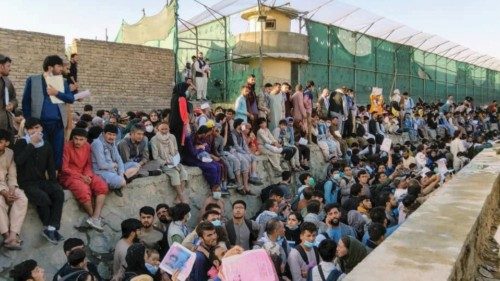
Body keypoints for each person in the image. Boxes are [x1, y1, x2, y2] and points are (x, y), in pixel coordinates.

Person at [14, 117, 64, 244]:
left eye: (37, 127)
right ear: (26, 130)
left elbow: (50, 166)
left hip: (40, 181)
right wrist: (31, 144)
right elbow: (19, 161)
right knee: (42, 197)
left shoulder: (46, 144)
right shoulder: (21, 143)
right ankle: (47, 227)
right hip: (25, 182)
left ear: (41, 128)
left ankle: (52, 228)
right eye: (31, 128)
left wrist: (54, 182)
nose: (34, 131)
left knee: (58, 192)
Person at [22, 55, 75, 168]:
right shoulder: (33, 80)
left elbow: (71, 98)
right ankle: (41, 178)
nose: (61, 69)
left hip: (58, 124)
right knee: (41, 151)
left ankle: (54, 178)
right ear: (50, 67)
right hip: (40, 125)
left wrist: (57, 93)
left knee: (57, 152)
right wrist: (29, 122)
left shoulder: (63, 81)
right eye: (59, 66)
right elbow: (25, 102)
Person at [59, 128, 108, 231]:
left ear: (86, 140)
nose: (78, 142)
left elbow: (89, 164)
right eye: (76, 139)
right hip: (69, 175)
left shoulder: (88, 146)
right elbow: (64, 168)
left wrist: (88, 176)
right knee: (83, 190)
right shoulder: (66, 146)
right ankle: (93, 216)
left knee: (102, 185)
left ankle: (95, 217)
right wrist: (82, 177)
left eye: (81, 139)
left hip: (85, 173)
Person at [0, 129, 27, 250]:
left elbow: (12, 173)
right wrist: (4, 193)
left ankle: (12, 235)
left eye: (0, 142)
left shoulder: (10, 153)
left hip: (7, 184)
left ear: (6, 143)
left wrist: (11, 190)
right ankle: (6, 235)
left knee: (21, 198)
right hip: (1, 188)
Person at [92, 124, 136, 197]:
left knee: (136, 165)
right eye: (109, 134)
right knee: (121, 182)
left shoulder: (113, 143)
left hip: (114, 170)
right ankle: (118, 183)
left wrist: (121, 174)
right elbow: (102, 165)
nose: (111, 137)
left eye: (114, 135)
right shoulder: (97, 143)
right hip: (102, 172)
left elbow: (119, 159)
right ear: (103, 133)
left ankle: (121, 179)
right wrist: (114, 165)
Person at [150, 122, 188, 203]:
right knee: (175, 173)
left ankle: (178, 197)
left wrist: (175, 160)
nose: (164, 131)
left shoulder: (172, 137)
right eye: (162, 129)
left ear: (169, 129)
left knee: (183, 172)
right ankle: (182, 197)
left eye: (166, 129)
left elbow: (176, 150)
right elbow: (155, 157)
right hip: (163, 163)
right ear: (158, 129)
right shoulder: (154, 139)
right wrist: (166, 162)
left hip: (174, 161)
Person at [168, 82, 191, 149]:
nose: (187, 91)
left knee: (174, 141)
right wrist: (187, 125)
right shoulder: (181, 98)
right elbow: (183, 113)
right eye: (186, 89)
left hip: (172, 122)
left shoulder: (173, 97)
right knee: (179, 142)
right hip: (179, 124)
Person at [0, 54, 18, 133]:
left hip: (8, 126)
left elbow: (14, 99)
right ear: (1, 66)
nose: (10, 69)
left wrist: (12, 104)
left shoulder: (7, 81)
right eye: (8, 66)